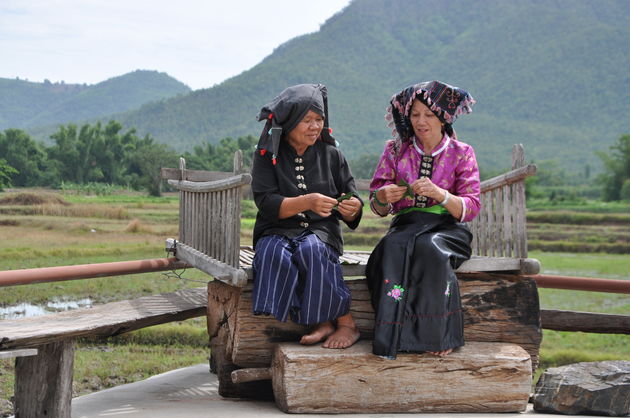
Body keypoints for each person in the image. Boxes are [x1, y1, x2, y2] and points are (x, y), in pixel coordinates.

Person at [366, 80, 481, 359]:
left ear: (443, 117)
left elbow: (471, 206)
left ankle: (439, 336)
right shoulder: (395, 151)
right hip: (406, 225)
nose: (421, 121)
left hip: (447, 229)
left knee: (430, 249)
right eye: (415, 114)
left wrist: (441, 195)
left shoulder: (461, 152)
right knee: (390, 249)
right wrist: (383, 196)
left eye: (429, 114)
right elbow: (376, 205)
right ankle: (393, 336)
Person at [250, 83, 363, 349]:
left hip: (321, 230)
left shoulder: (332, 155)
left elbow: (352, 197)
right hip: (276, 228)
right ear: (289, 123)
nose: (315, 127)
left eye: (319, 120)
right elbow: (266, 203)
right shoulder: (267, 156)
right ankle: (321, 322)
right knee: (273, 254)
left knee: (312, 250)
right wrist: (307, 201)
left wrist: (353, 208)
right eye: (307, 120)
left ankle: (344, 324)